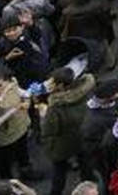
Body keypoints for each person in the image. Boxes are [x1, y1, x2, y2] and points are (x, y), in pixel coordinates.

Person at [38, 67, 95, 195]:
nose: (50, 85)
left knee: (59, 170)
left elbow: (49, 130)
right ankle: (90, 183)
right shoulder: (84, 91)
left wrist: (43, 115)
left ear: (61, 86)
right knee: (85, 161)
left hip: (62, 143)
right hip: (81, 134)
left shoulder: (55, 107)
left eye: (53, 83)